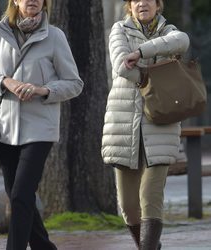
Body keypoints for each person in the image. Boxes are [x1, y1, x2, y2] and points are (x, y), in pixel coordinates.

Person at [0, 0, 83, 249]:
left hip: (39, 129)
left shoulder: (55, 37)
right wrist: (4, 82)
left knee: (21, 195)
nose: (32, 0)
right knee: (20, 198)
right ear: (15, 1)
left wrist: (44, 90)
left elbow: (74, 83)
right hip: (4, 129)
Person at [101, 0, 189, 249]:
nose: (142, 3)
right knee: (128, 207)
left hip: (161, 126)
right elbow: (121, 66)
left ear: (157, 5)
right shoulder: (119, 29)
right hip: (122, 127)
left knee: (150, 199)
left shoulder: (169, 30)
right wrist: (158, 78)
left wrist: (140, 53)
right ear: (130, 5)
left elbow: (182, 41)